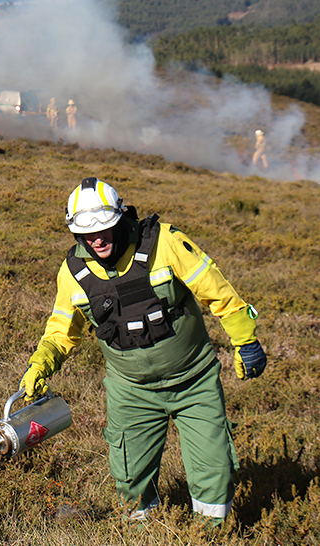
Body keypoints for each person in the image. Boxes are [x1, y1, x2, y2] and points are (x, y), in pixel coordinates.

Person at [20, 177, 267, 522]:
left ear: (121, 218)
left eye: (104, 228)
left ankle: (209, 533)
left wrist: (246, 341)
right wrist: (40, 365)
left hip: (194, 382)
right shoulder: (72, 273)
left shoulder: (165, 242)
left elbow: (217, 290)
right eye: (88, 234)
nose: (97, 239)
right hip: (131, 391)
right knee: (130, 476)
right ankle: (143, 532)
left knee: (214, 470)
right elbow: (61, 331)